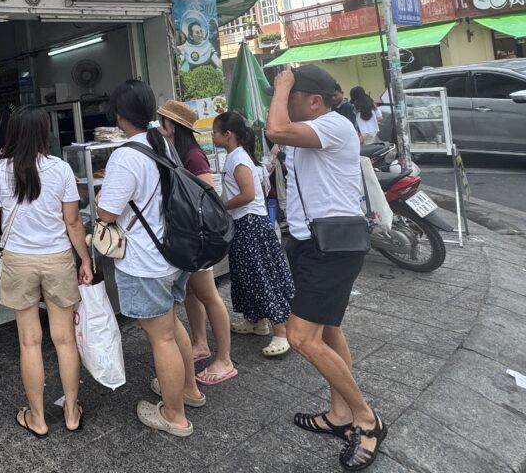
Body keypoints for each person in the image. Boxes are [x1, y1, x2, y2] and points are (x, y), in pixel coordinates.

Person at [266, 65, 386, 471]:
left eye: (292, 98)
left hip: (332, 248)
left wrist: (284, 84)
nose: (284, 105)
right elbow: (278, 136)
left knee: (301, 337)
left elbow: (274, 130)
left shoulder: (333, 126)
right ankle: (339, 413)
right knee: (328, 330)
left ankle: (366, 419)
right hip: (310, 243)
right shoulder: (307, 131)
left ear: (314, 101)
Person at [96, 81, 206, 438]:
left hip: (146, 261)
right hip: (172, 253)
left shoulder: (125, 155)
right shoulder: (162, 143)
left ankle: (174, 415)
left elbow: (107, 213)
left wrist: (100, 200)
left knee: (161, 338)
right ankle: (189, 390)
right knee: (171, 326)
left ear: (118, 116)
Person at [0, 106, 93, 437]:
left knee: (29, 342)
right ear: (45, 133)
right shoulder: (61, 169)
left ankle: (38, 419)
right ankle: (71, 413)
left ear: (12, 133)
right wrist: (85, 259)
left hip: (18, 261)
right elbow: (74, 222)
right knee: (64, 339)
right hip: (58, 258)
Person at [156, 100, 236, 386]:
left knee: (209, 295)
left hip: (197, 239)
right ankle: (200, 343)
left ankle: (224, 358)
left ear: (171, 125)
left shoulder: (193, 156)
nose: (159, 126)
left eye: (162, 121)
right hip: (186, 238)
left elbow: (207, 197)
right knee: (191, 292)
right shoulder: (176, 151)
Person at [212, 111, 293, 359]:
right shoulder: (237, 156)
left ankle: (280, 331)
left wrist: (221, 206)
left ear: (228, 134)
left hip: (250, 224)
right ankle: (255, 321)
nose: (212, 137)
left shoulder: (237, 159)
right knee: (244, 276)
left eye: (215, 132)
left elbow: (247, 194)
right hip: (247, 223)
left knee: (259, 276)